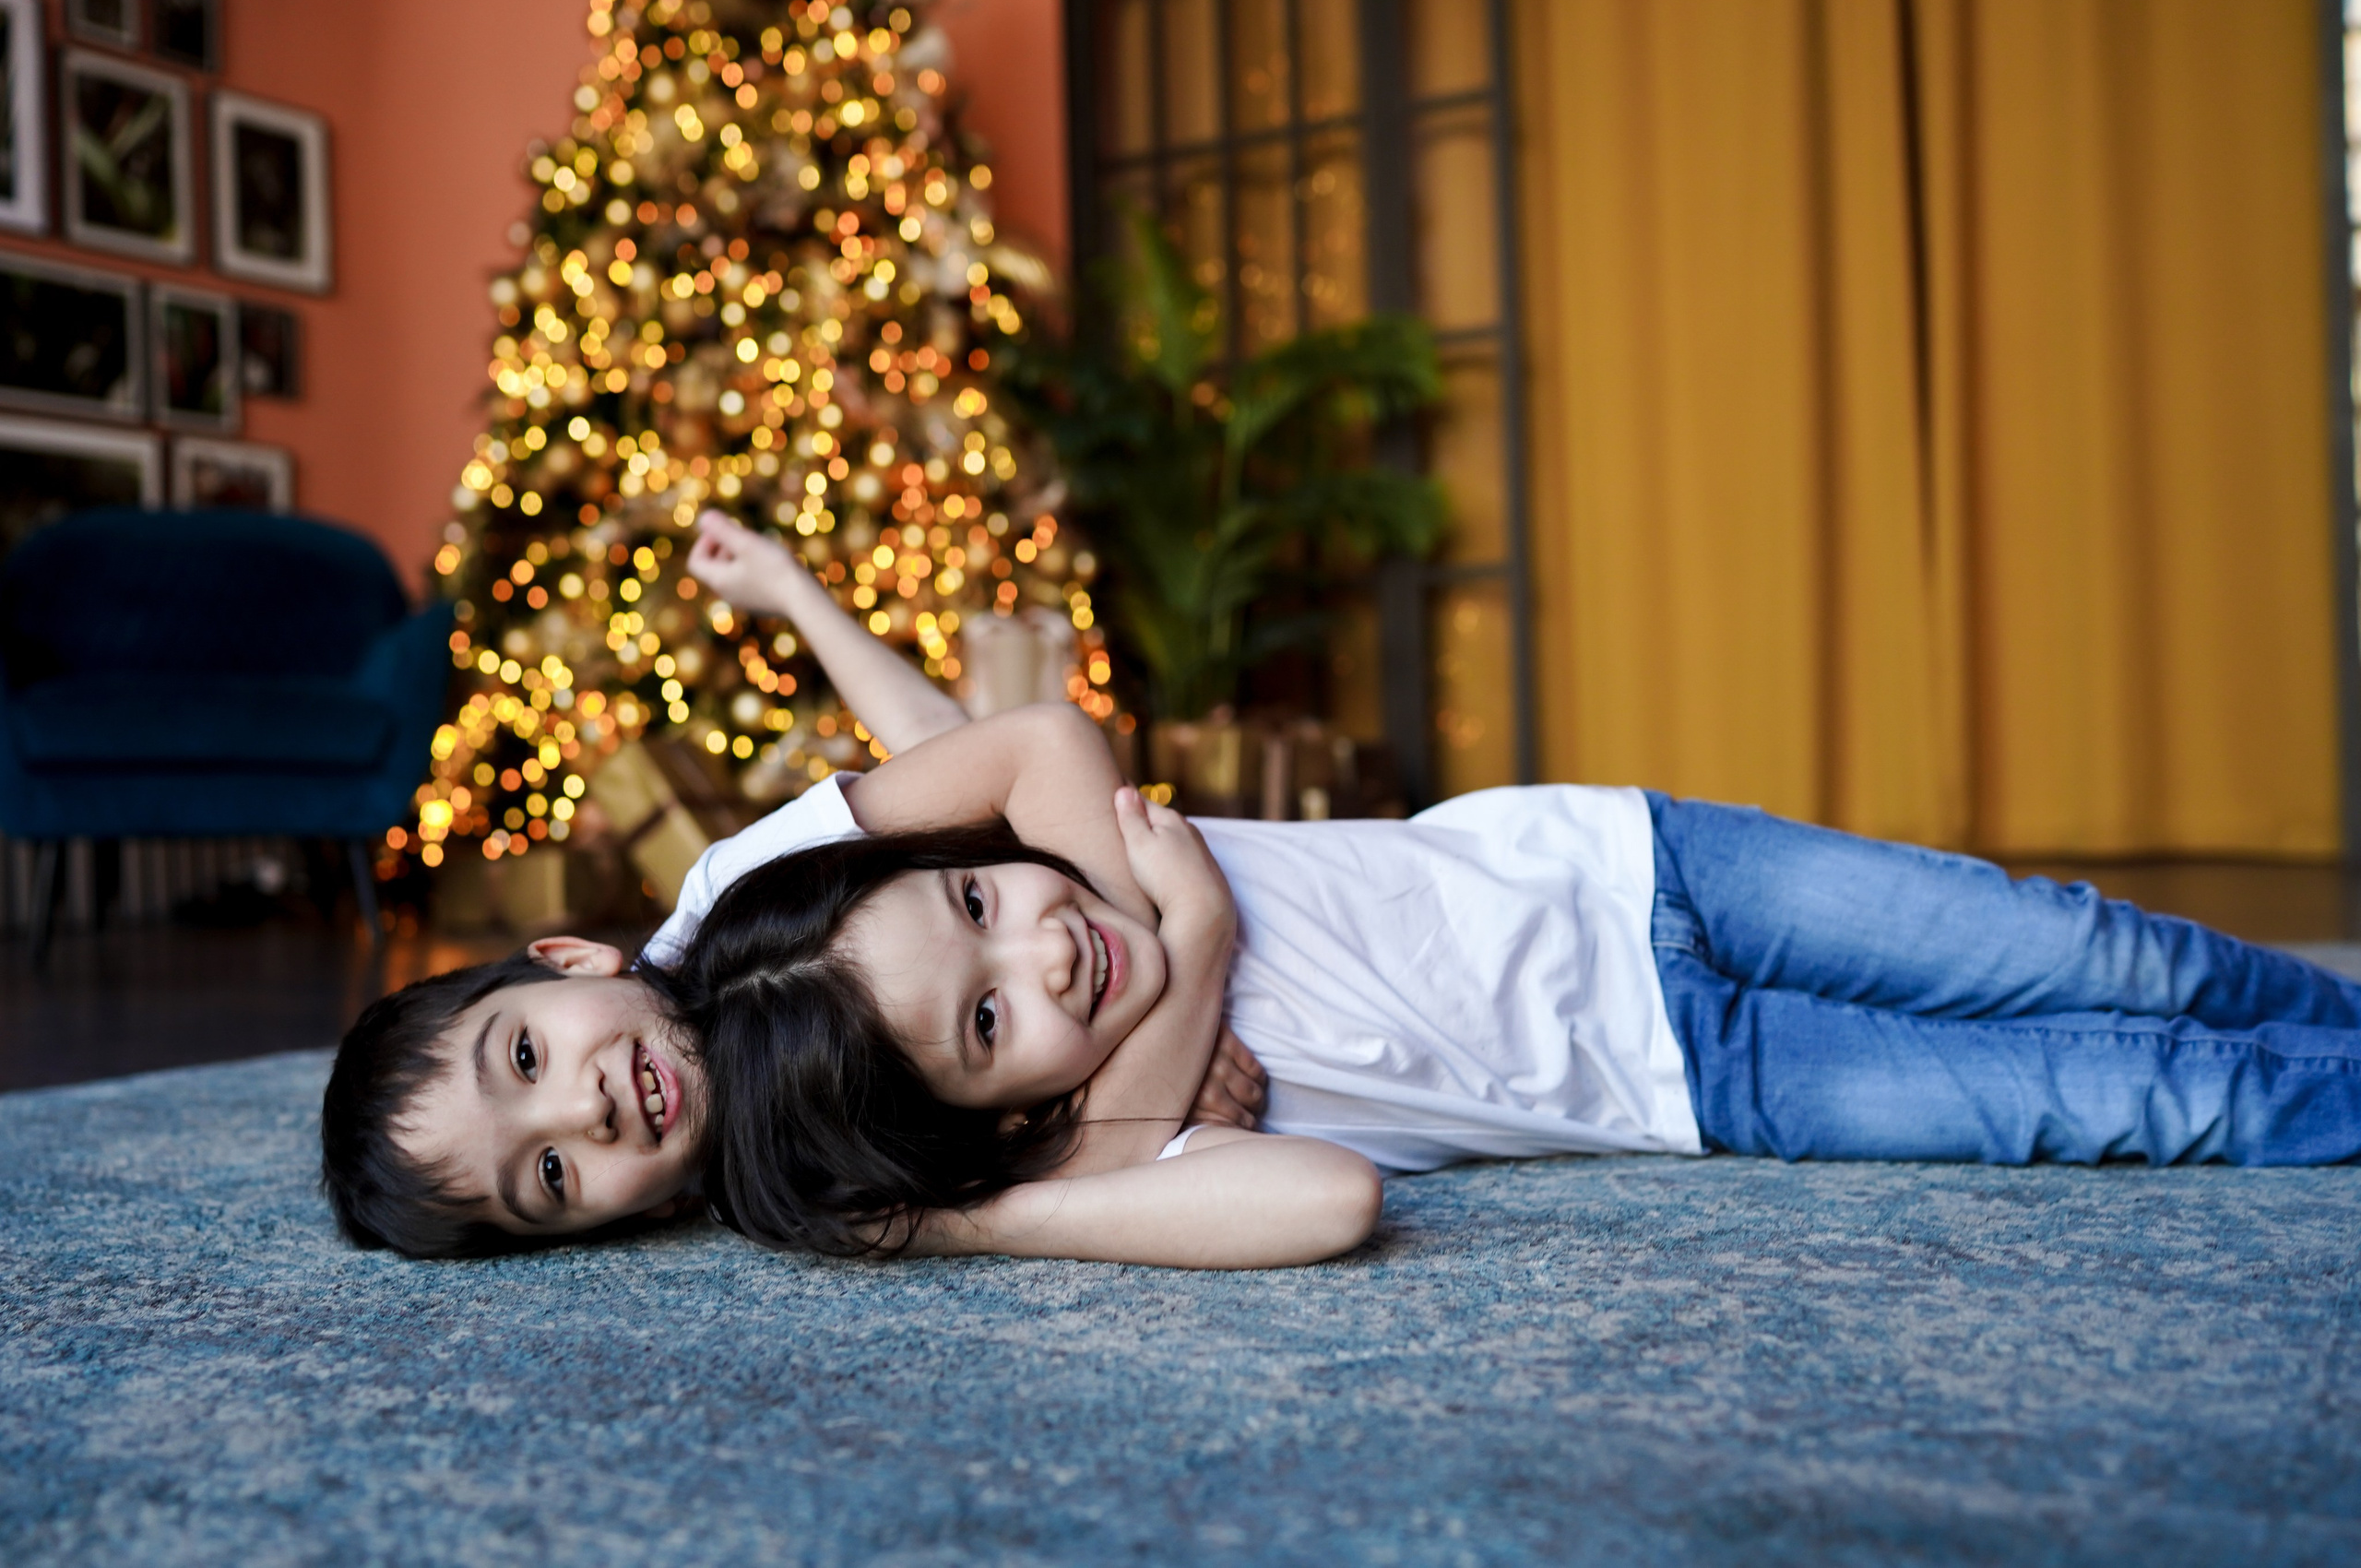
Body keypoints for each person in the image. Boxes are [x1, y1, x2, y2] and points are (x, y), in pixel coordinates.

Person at [669, 689, 2361, 1270]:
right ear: (1006, 1115)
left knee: (2089, 947)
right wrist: (1010, 1183)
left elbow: (1039, 737)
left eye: (978, 895)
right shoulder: (1117, 1144)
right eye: (990, 1021)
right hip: (1689, 1088)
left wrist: (1171, 930)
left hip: (1640, 862)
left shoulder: (1102, 889)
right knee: (2134, 1091)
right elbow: (1329, 1200)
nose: (1043, 946)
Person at [317, 511, 1268, 1257]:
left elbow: (1013, 754)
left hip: (1208, 911)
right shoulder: (812, 1199)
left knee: (946, 784)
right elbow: (1081, 1178)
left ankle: (788, 589)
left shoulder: (737, 901)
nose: (583, 1109)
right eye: (553, 1172)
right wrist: (1162, 1032)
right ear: (618, 1229)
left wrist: (1163, 986)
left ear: (566, 958)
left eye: (526, 1057)